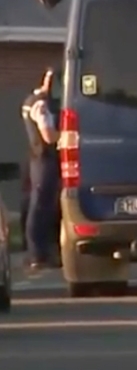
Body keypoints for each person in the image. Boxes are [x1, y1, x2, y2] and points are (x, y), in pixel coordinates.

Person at [21, 67, 61, 271]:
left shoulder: (29, 101)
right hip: (45, 158)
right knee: (41, 207)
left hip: (36, 158)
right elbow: (48, 135)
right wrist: (65, 135)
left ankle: (39, 254)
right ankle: (37, 254)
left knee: (39, 206)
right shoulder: (42, 105)